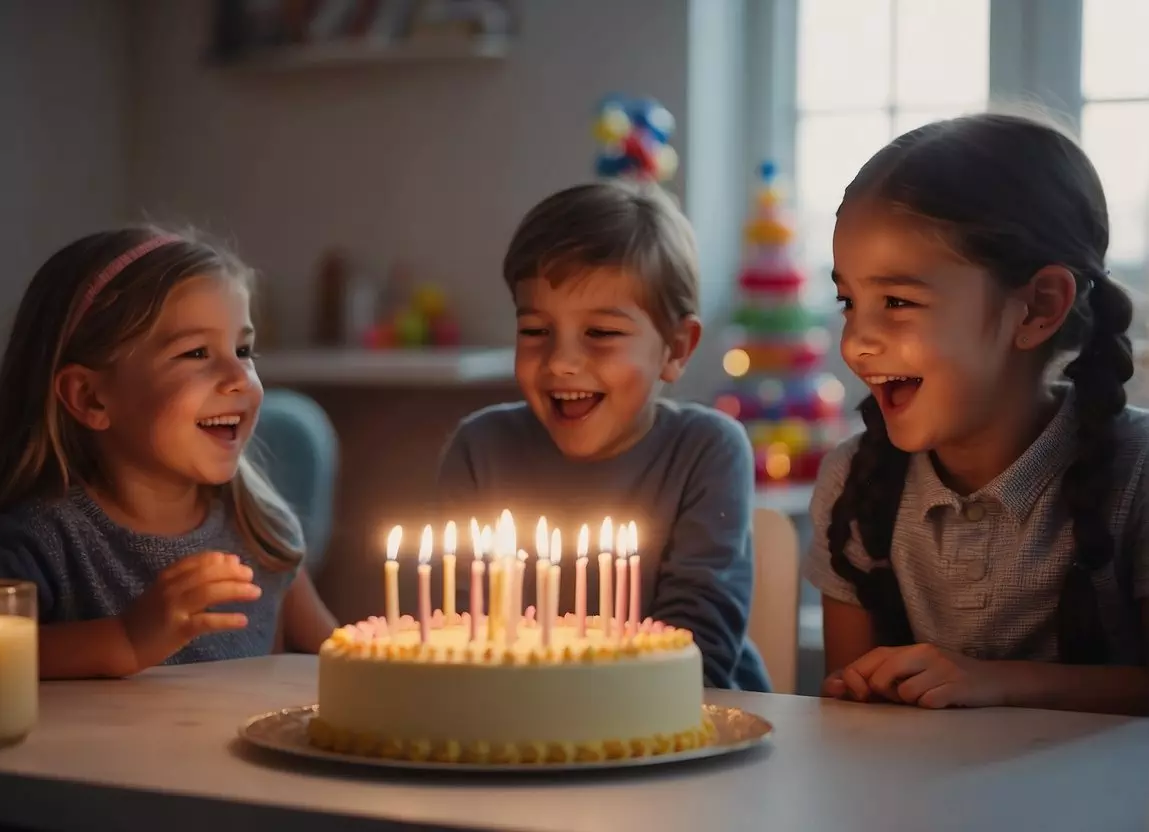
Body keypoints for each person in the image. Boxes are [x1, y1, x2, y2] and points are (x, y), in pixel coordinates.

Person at [804, 112, 1149, 715]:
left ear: (1039, 308)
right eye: (848, 301)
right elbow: (848, 714)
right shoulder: (852, 481)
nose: (857, 341)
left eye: (898, 301)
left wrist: (998, 683)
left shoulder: (1138, 475)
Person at [0, 227, 337, 678]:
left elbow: (339, 658)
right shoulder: (48, 539)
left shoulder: (261, 530)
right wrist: (125, 639)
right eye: (196, 353)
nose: (238, 378)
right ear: (91, 398)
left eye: (243, 350)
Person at [436, 180, 769, 691]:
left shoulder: (707, 451)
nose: (562, 362)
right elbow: (457, 634)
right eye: (535, 331)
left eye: (601, 333)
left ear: (677, 348)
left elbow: (697, 653)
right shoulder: (480, 450)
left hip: (682, 739)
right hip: (513, 731)